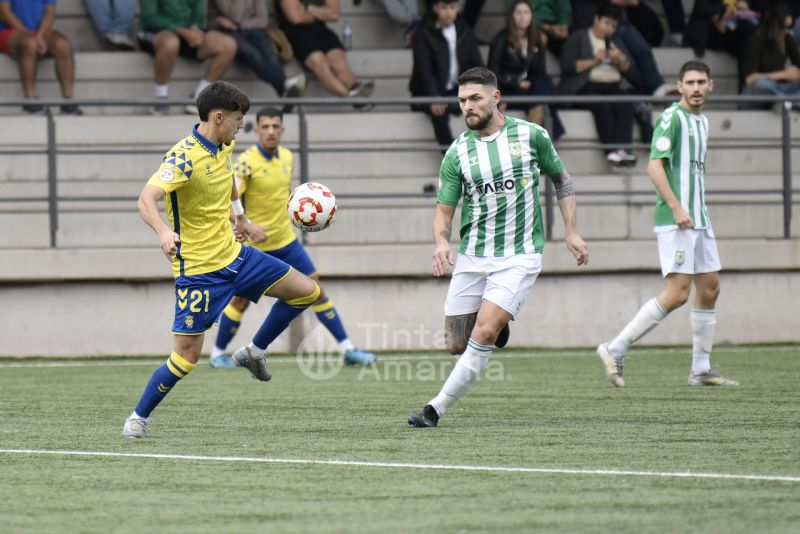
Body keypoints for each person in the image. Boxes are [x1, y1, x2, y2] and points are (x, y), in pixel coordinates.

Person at [122, 81, 322, 439]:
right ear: (218, 117)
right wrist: (164, 232)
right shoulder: (182, 157)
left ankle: (254, 351)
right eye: (238, 119)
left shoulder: (223, 146)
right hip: (200, 273)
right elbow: (145, 200)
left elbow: (228, 179)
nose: (242, 125)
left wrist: (240, 218)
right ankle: (138, 417)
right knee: (185, 359)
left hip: (237, 256)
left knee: (307, 291)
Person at [407, 67, 589, 428]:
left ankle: (434, 409)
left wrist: (572, 232)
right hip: (474, 254)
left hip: (520, 254)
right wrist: (441, 242)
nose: (467, 106)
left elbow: (562, 181)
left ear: (496, 97)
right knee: (456, 343)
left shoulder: (531, 135)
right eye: (462, 100)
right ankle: (498, 321)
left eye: (475, 98)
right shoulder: (457, 152)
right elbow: (444, 211)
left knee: (484, 332)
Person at [596, 61, 739, 388]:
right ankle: (615, 347)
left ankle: (700, 369)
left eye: (701, 82)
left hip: (699, 219)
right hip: (677, 220)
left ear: (711, 85)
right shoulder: (672, 118)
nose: (696, 88)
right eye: (690, 82)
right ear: (680, 86)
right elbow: (654, 167)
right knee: (677, 294)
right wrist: (676, 208)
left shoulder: (702, 122)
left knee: (710, 288)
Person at [209, 107, 376, 369]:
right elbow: (227, 201)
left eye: (276, 126)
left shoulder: (287, 157)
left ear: (282, 130)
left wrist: (312, 214)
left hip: (286, 242)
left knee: (316, 290)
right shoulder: (247, 162)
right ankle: (217, 354)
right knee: (240, 301)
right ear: (257, 129)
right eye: (266, 126)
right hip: (256, 245)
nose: (271, 131)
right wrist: (247, 225)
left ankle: (348, 349)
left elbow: (288, 198)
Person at [559, 2, 637, 167]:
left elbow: (628, 68)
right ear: (596, 19)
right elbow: (568, 65)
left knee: (627, 104)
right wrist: (596, 60)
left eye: (613, 26)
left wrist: (620, 58)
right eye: (606, 23)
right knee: (602, 106)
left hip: (612, 85)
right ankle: (611, 151)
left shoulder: (616, 41)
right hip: (586, 85)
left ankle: (622, 149)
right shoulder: (579, 36)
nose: (609, 29)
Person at [137, 0, 237, 115]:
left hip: (188, 32)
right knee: (171, 44)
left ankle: (199, 97)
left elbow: (198, 15)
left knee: (228, 45)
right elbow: (150, 18)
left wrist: (195, 30)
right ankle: (160, 99)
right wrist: (181, 31)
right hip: (157, 30)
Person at [410, 0, 484, 150]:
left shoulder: (464, 30)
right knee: (440, 112)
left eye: (452, 7)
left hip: (456, 90)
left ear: (458, 8)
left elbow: (476, 65)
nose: (449, 12)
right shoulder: (424, 33)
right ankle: (454, 160)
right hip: (428, 92)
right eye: (444, 7)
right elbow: (424, 70)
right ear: (435, 8)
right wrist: (434, 96)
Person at [207, 0, 306, 111]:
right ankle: (284, 85)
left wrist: (242, 25)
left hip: (249, 29)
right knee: (252, 53)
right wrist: (240, 22)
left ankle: (283, 90)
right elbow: (236, 16)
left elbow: (263, 20)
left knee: (268, 51)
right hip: (226, 31)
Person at [489, 0, 566, 140]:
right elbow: (492, 75)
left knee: (542, 81)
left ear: (531, 16)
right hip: (509, 90)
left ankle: (533, 137)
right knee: (542, 96)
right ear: (512, 16)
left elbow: (540, 70)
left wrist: (529, 82)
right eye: (518, 13)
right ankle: (543, 137)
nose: (522, 17)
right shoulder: (501, 40)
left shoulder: (536, 39)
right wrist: (515, 84)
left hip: (531, 89)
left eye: (526, 12)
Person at [276, 0, 374, 106]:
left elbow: (334, 14)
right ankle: (354, 98)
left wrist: (308, 8)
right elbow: (295, 18)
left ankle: (356, 90)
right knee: (320, 63)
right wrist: (321, 13)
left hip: (320, 29)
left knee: (339, 61)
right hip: (295, 31)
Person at [0, 0, 82, 115]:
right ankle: (29, 100)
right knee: (30, 43)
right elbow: (4, 12)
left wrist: (40, 34)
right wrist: (29, 34)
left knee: (63, 44)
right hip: (9, 31)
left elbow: (50, 12)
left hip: (38, 33)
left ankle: (68, 100)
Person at [740, 2, 800, 110]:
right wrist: (784, 74)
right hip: (756, 92)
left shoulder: (787, 39)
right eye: (785, 28)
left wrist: (794, 74)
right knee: (763, 84)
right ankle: (786, 102)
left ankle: (784, 102)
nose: (787, 31)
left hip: (780, 90)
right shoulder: (757, 38)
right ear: (777, 26)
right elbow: (750, 79)